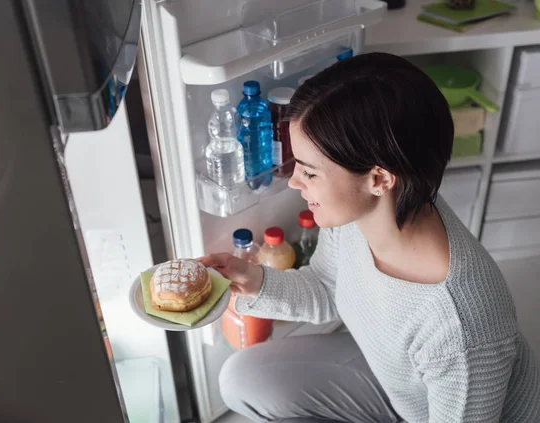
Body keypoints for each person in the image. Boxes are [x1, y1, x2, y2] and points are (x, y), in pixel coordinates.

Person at [198, 53, 540, 423]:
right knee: (242, 377)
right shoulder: (360, 212)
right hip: (399, 385)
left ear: (379, 179)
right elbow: (329, 286)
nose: (294, 181)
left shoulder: (462, 329)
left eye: (310, 173)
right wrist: (251, 281)